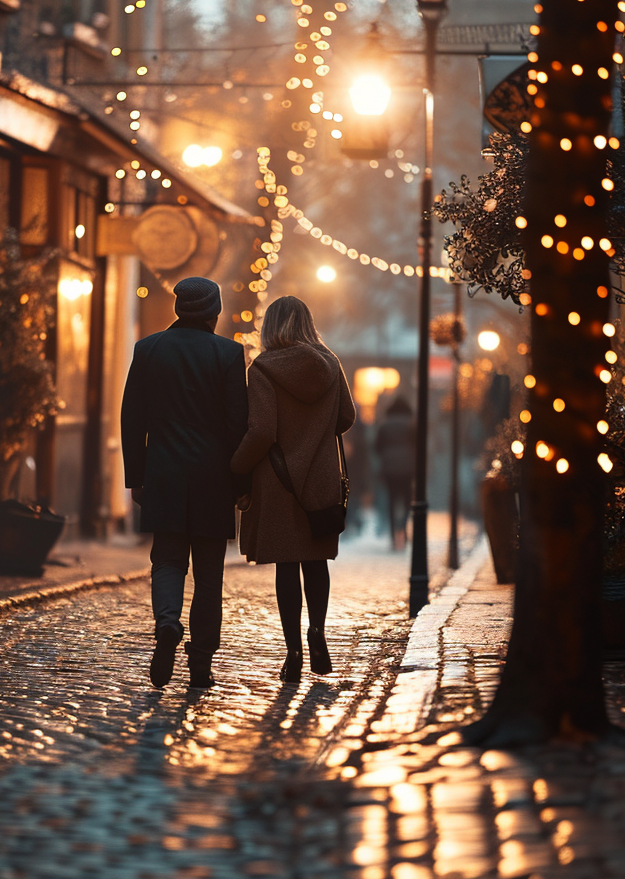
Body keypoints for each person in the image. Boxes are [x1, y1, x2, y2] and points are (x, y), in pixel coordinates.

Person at [121, 276, 248, 690]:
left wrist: (135, 477)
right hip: (214, 479)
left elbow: (132, 418)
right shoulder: (229, 354)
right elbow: (236, 426)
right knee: (210, 576)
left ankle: (167, 624)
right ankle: (200, 665)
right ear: (215, 312)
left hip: (163, 473)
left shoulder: (148, 349)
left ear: (179, 309)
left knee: (168, 560)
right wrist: (240, 481)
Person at [230, 295, 355, 682]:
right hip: (319, 480)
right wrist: (315, 431)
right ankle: (318, 631)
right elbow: (346, 417)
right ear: (307, 322)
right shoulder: (331, 363)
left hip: (278, 482)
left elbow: (262, 430)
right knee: (316, 562)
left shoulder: (263, 369)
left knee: (287, 565)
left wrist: (235, 465)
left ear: (270, 326)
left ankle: (294, 651)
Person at [375, 395, 415, 550]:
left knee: (391, 501)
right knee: (406, 500)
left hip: (389, 468)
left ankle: (393, 535)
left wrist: (386, 457)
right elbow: (418, 446)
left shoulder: (384, 425)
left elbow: (377, 446)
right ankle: (403, 529)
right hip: (407, 467)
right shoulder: (411, 424)